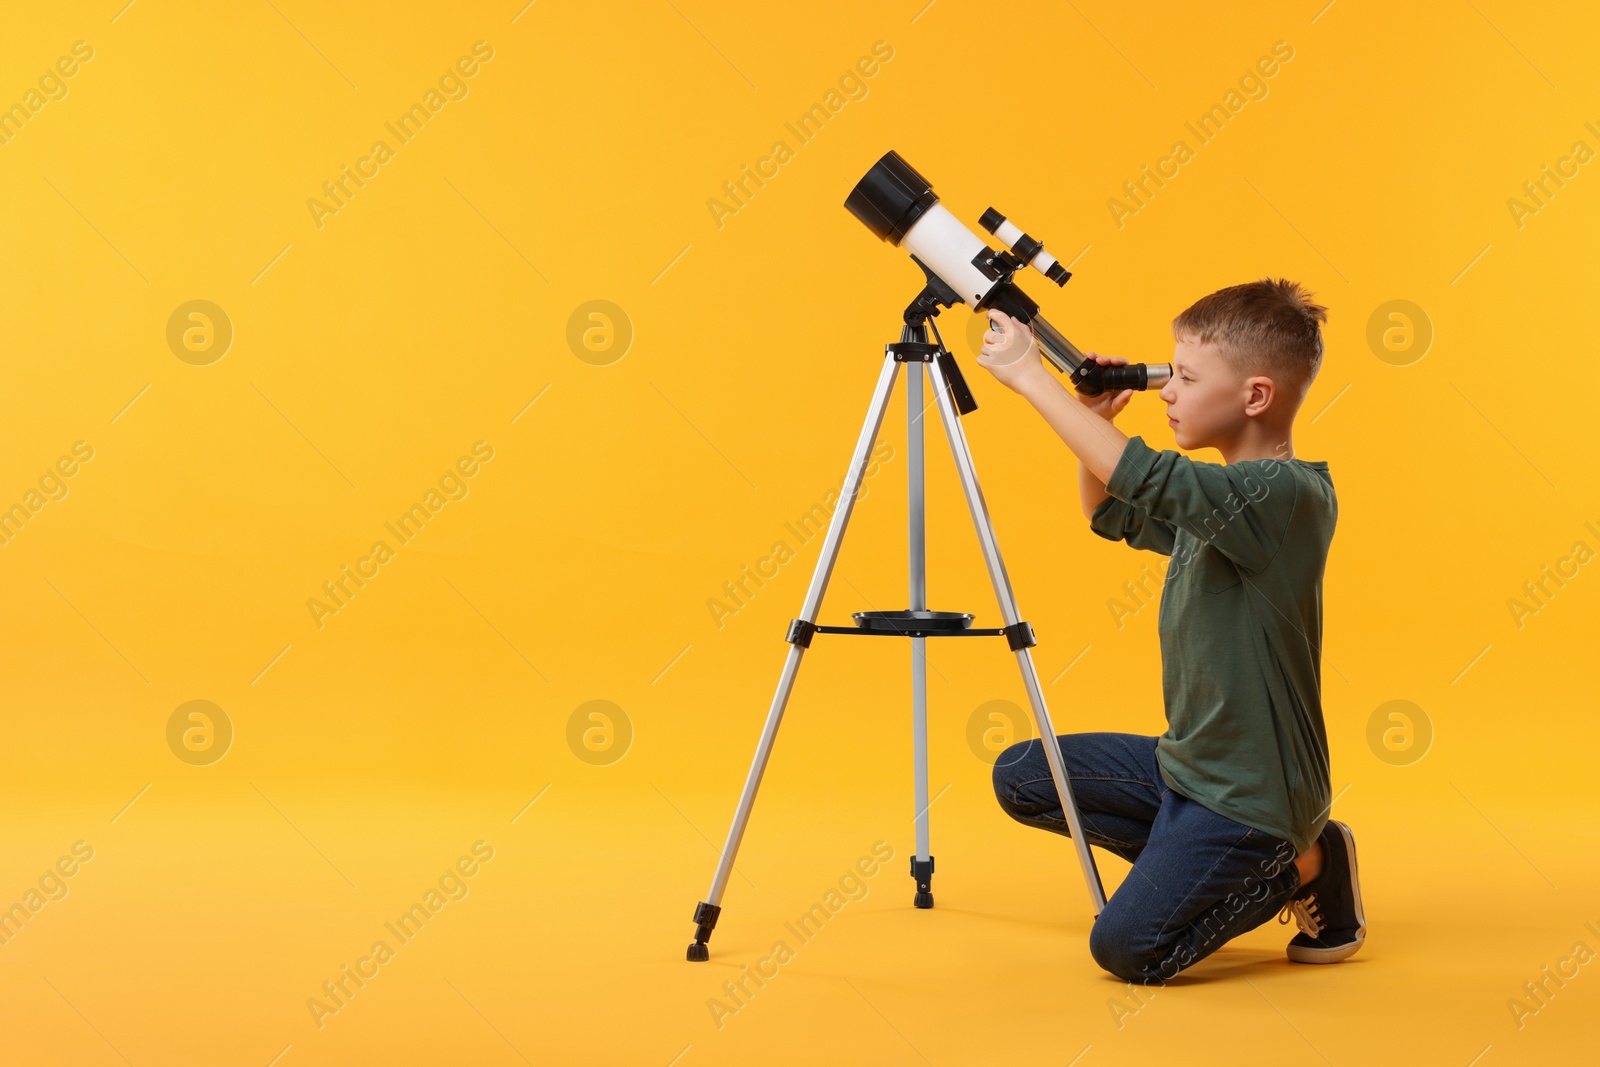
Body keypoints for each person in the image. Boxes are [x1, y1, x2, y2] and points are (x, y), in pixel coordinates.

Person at [974, 278, 1363, 983]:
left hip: (1253, 796)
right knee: (1026, 777)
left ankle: (1306, 859)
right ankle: (1203, 858)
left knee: (1127, 949)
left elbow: (1144, 475)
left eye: (1185, 377)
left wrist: (1031, 377)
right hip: (1188, 768)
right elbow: (1111, 510)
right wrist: (1093, 412)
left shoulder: (1282, 496)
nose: (1168, 392)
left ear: (1254, 396)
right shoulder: (1220, 499)